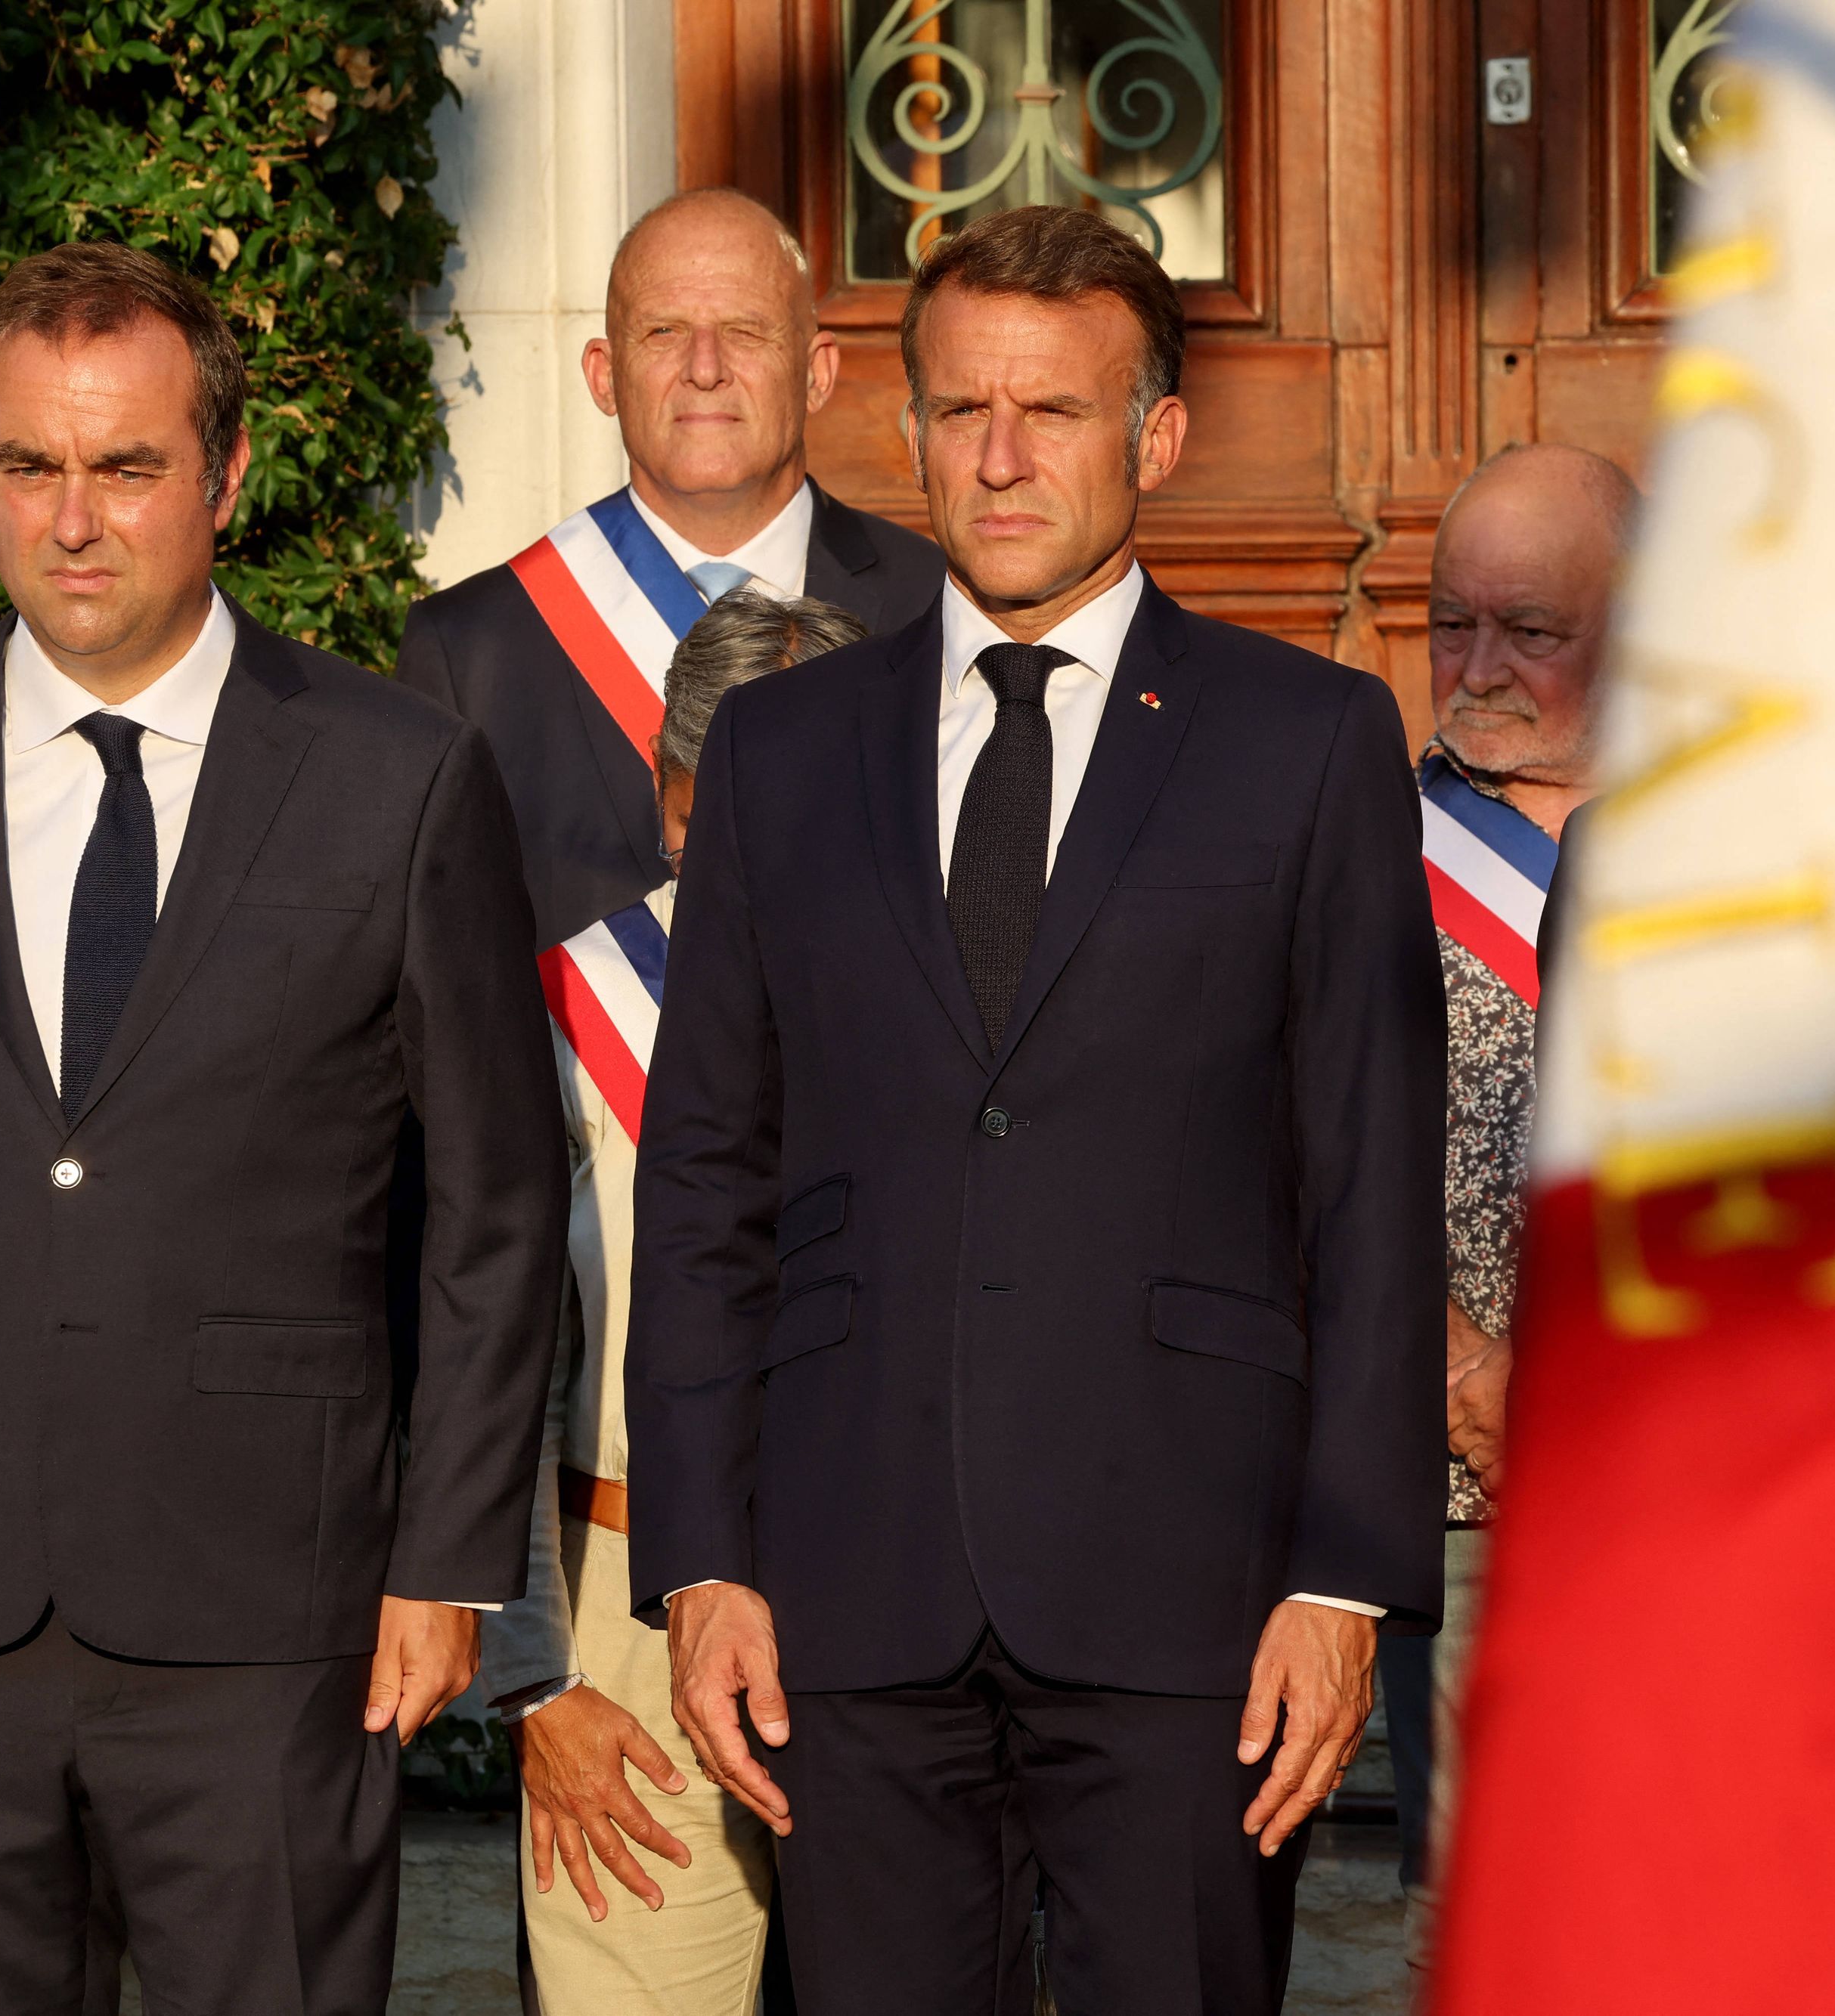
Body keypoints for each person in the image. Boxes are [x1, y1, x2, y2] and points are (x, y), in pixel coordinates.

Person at [0, 242, 565, 2015]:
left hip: (275, 1607)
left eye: (126, 466)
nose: (74, 519)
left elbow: (494, 1205)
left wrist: (447, 1563)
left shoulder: (397, 776)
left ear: (224, 473)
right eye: (31, 466)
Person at [628, 203, 1446, 2016]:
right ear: (906, 429)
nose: (998, 461)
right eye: (959, 411)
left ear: (1153, 437)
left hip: (1197, 1601)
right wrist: (697, 1556)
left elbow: (1372, 1189)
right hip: (850, 1589)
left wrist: (1345, 1581)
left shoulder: (1306, 745)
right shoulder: (780, 749)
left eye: (1053, 413)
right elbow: (704, 1177)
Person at [482, 586, 863, 2014]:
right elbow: (484, 1352)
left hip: (901, 1624)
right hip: (626, 1632)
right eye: (718, 839)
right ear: (662, 788)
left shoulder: (976, 1003)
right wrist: (531, 1678)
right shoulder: (558, 1010)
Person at [397, 185, 947, 949]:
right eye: (663, 331)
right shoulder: (469, 651)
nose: (705, 368)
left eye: (747, 331)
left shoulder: (941, 604)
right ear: (603, 375)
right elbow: (437, 970)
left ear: (818, 373)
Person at [1395, 441, 1633, 1966]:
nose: (1475, 668)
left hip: (1699, 1490)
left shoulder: (1753, 847)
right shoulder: (1337, 840)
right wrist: (1466, 1371)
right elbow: (1259, 1142)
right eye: (1447, 621)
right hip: (1461, 1502)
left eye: (1528, 631)